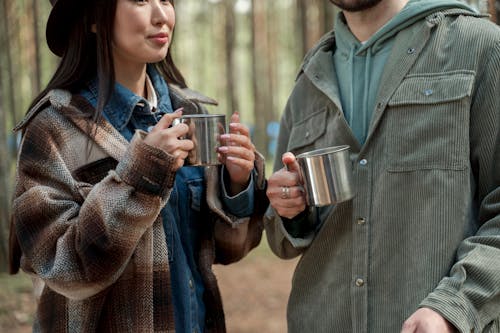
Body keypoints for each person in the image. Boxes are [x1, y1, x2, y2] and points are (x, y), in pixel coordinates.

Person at [8, 0, 268, 332]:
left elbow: (227, 249)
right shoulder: (54, 129)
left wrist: (238, 183)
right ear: (92, 19)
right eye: (141, 0)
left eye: (166, 0)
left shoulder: (189, 113)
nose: (162, 16)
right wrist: (143, 175)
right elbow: (63, 269)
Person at [265, 0, 500, 332]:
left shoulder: (480, 47)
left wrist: (455, 306)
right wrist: (291, 210)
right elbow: (281, 238)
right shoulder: (310, 79)